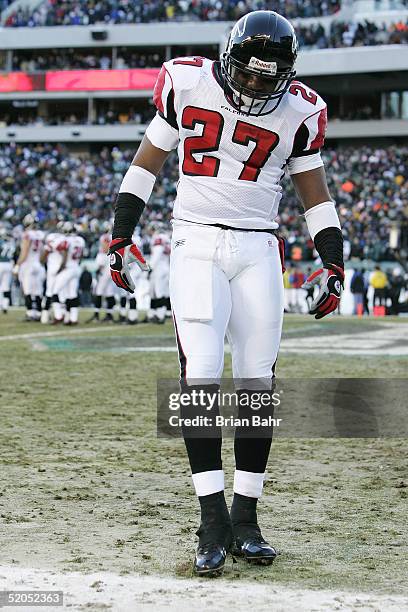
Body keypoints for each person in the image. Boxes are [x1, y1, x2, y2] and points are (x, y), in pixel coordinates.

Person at [108, 10, 344, 576]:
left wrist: (333, 260)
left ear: (288, 73)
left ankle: (246, 518)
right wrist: (119, 235)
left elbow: (315, 195)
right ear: (228, 58)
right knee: (203, 374)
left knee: (259, 381)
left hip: (259, 248)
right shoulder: (186, 82)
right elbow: (147, 164)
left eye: (272, 77)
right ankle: (211, 520)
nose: (259, 86)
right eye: (251, 73)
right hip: (195, 242)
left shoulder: (302, 110)